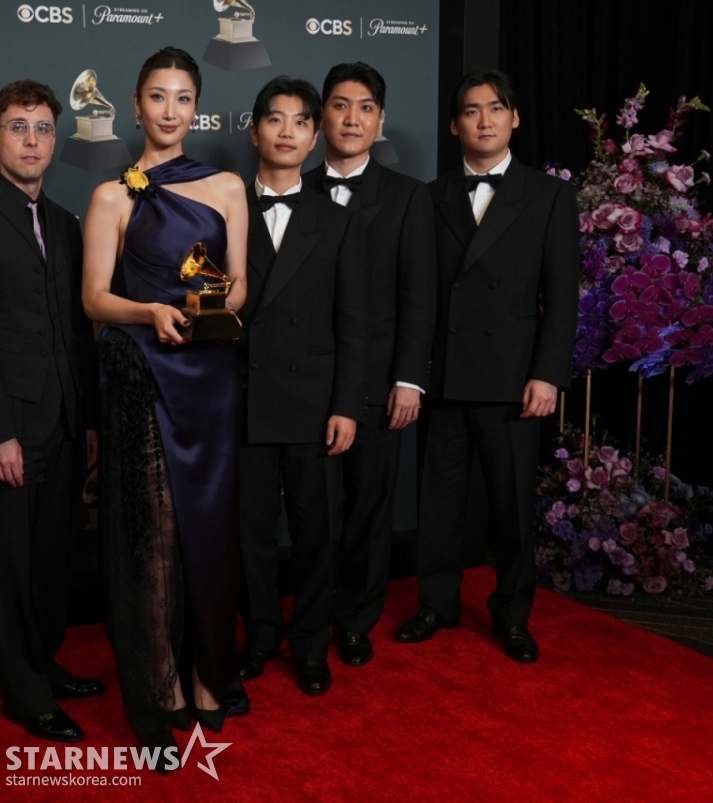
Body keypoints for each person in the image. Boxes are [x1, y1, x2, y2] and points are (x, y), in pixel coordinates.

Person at [81, 47, 248, 759]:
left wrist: (210, 305)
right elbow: (94, 299)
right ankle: (161, 688)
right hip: (145, 374)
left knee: (210, 532)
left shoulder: (229, 187)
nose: (171, 110)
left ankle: (211, 673)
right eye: (158, 96)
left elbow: (239, 286)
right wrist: (151, 311)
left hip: (211, 376)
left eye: (183, 98)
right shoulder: (112, 196)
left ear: (197, 107)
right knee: (155, 540)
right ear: (136, 104)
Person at [0, 80, 104, 744]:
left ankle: (45, 663)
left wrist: (85, 421)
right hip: (5, 432)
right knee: (8, 569)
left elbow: (75, 334)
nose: (31, 139)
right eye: (18, 126)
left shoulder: (63, 223)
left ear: (55, 140)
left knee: (52, 560)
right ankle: (25, 695)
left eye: (42, 128)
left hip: (61, 425)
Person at [393, 69, 578, 663]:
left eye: (496, 108)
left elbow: (562, 296)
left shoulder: (549, 196)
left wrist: (547, 373)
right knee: (439, 503)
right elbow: (418, 296)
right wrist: (411, 376)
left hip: (514, 379)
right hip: (445, 376)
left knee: (510, 507)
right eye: (471, 112)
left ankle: (513, 614)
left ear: (514, 117)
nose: (484, 120)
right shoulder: (431, 195)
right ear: (455, 126)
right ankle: (437, 603)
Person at [297, 63, 437, 668]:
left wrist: (409, 377)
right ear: (320, 116)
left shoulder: (409, 197)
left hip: (381, 382)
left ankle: (356, 618)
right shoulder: (290, 189)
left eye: (364, 108)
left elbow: (419, 295)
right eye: (339, 106)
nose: (351, 119)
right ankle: (307, 621)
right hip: (306, 382)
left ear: (379, 120)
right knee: (310, 510)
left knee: (369, 507)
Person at [235, 76, 369, 696]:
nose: (287, 132)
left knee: (317, 533)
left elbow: (353, 324)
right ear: (255, 128)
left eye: (299, 122)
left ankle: (311, 642)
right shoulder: (224, 208)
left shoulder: (338, 222)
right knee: (251, 533)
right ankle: (260, 634)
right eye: (275, 120)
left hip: (315, 406)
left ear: (315, 137)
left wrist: (346, 405)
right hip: (244, 403)